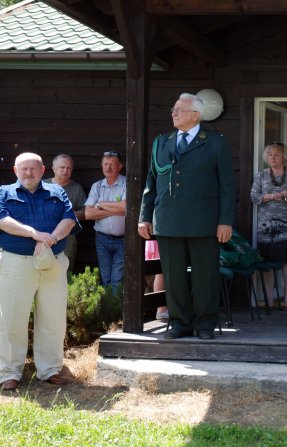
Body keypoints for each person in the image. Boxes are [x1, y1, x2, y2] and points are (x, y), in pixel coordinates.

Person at [138, 92, 235, 340]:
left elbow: (227, 185)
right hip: (168, 220)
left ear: (195, 115)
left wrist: (225, 221)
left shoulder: (215, 142)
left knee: (205, 276)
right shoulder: (162, 141)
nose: (173, 113)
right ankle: (180, 323)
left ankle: (205, 324)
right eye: (173, 109)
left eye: (179, 109)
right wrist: (144, 216)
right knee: (174, 276)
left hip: (204, 222)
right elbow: (151, 182)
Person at [0, 152, 81, 391]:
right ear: (15, 171)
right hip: (16, 264)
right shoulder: (3, 193)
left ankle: (49, 369)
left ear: (42, 170)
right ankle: (10, 372)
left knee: (53, 318)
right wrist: (33, 233)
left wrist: (50, 239)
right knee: (12, 318)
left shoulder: (57, 192)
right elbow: (1, 221)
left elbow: (69, 220)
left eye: (33, 168)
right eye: (24, 169)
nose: (28, 173)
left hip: (53, 261)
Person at [250, 142, 287, 309]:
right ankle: (269, 298)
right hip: (266, 225)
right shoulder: (260, 176)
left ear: (284, 157)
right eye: (269, 155)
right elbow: (254, 197)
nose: (272, 157)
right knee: (268, 262)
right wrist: (270, 196)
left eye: (276, 154)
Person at [85, 151, 127, 290]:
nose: (108, 167)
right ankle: (108, 310)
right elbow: (89, 213)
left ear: (120, 166)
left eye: (112, 164)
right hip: (102, 239)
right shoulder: (96, 186)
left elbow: (126, 208)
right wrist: (116, 209)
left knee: (117, 278)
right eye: (105, 164)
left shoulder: (126, 183)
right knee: (105, 277)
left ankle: (115, 311)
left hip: (123, 239)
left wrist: (101, 204)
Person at [44, 154, 87, 272]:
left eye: (68, 168)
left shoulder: (76, 188)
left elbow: (85, 213)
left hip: (67, 242)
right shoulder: (42, 186)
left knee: (65, 275)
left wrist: (68, 215)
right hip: (43, 240)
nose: (65, 170)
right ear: (53, 168)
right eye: (62, 167)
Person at [145, 239, 168, 321]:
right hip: (157, 244)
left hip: (153, 244)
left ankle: (159, 309)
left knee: (159, 272)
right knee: (161, 272)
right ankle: (161, 309)